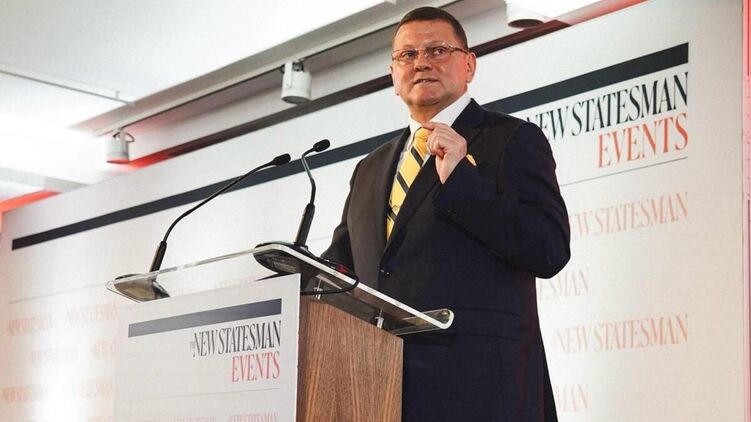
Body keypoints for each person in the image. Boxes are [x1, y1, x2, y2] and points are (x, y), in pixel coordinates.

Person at [323, 6, 570, 421]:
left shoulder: (512, 139)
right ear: (393, 75)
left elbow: (548, 249)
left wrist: (461, 181)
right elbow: (341, 267)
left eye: (437, 50)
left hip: (479, 390)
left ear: (469, 64)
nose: (421, 62)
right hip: (377, 387)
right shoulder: (370, 167)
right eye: (408, 55)